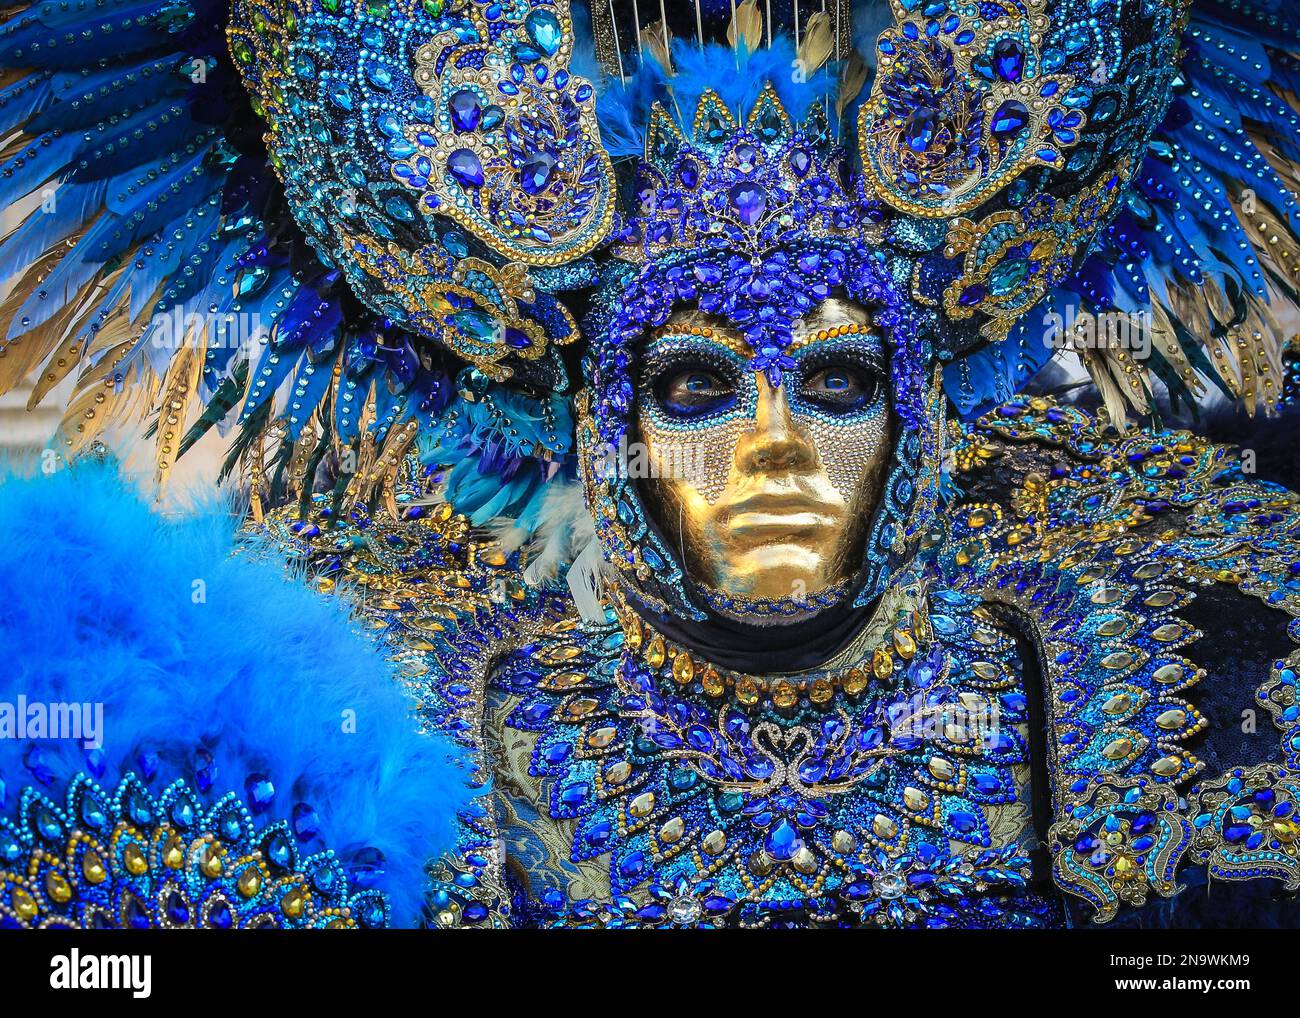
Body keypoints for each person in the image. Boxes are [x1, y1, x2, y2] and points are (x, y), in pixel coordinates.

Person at [1, 0, 1299, 928]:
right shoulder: (406, 677)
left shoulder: (1135, 631)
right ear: (600, 428)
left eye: (840, 382)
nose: (776, 442)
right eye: (697, 386)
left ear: (920, 414)